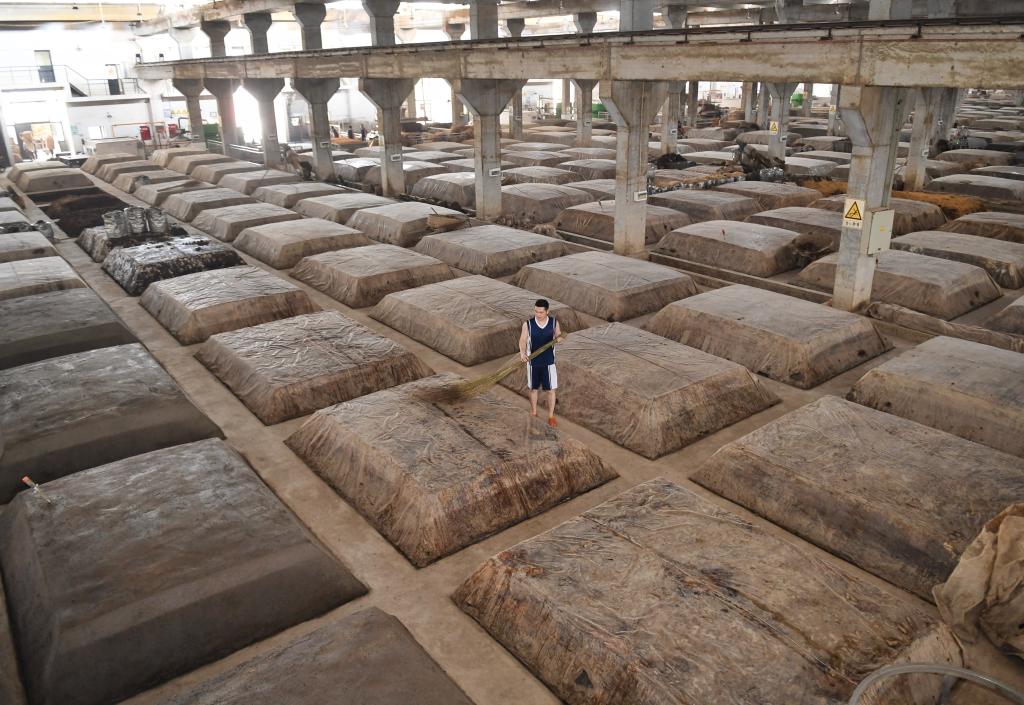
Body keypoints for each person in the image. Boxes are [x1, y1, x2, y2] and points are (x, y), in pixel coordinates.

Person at [519, 299, 562, 427]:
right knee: (533, 389)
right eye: (536, 311)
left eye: (541, 312)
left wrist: (559, 338)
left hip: (549, 363)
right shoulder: (528, 324)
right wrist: (522, 353)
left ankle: (551, 416)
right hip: (533, 363)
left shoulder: (554, 322)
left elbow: (559, 335)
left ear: (547, 311)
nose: (538, 314)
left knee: (551, 391)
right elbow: (522, 340)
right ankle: (534, 412)